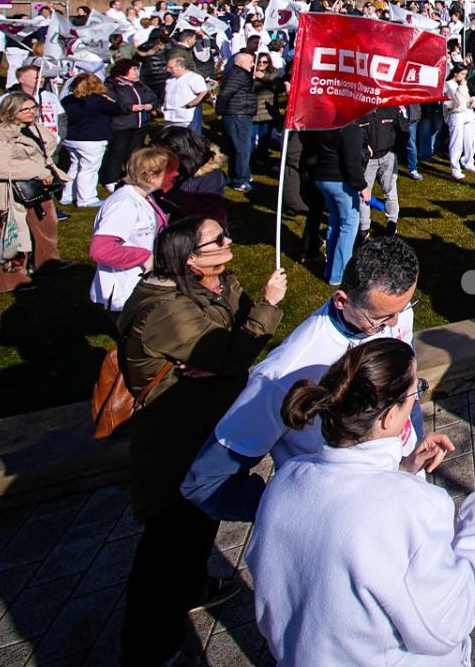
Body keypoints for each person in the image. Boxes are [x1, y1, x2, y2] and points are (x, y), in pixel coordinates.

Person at [247, 338, 475, 666]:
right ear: (388, 417)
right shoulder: (417, 507)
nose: (418, 396)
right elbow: (449, 623)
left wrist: (403, 468)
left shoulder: (286, 478)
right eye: (416, 390)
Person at [116, 216, 285, 665]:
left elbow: (234, 346)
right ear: (189, 258)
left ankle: (194, 587)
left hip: (204, 426)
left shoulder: (216, 283)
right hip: (173, 442)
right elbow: (235, 349)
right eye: (218, 239)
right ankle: (147, 651)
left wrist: (227, 355)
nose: (229, 241)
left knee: (200, 522)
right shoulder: (165, 308)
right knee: (166, 547)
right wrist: (266, 307)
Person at [183, 235, 423, 519]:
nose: (395, 322)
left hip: (403, 486)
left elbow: (405, 387)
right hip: (344, 517)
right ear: (341, 300)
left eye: (405, 307)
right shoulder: (281, 376)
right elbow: (205, 482)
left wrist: (416, 445)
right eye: (381, 319)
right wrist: (297, 509)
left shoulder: (394, 310)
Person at [0, 92, 64, 293]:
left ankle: (47, 262)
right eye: (25, 109)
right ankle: (12, 280)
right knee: (11, 236)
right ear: (10, 111)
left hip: (35, 188)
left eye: (33, 108)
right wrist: (37, 171)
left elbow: (47, 147)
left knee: (47, 224)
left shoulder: (32, 127)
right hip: (8, 194)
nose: (31, 112)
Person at [89, 147, 176, 312]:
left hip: (139, 285)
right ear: (150, 176)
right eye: (170, 171)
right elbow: (101, 250)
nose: (175, 174)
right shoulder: (124, 204)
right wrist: (144, 257)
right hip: (124, 291)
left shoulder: (145, 197)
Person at [301, 118, 368, 284]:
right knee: (348, 225)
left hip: (323, 178)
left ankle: (330, 269)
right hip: (339, 182)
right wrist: (362, 186)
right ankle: (340, 274)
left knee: (335, 222)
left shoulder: (327, 123)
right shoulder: (351, 129)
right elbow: (352, 164)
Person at [100, 58, 158, 190]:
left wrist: (151, 105)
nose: (136, 72)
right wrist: (130, 108)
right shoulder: (113, 85)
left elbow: (153, 98)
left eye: (137, 69)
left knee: (135, 153)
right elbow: (112, 102)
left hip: (140, 124)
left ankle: (131, 175)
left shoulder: (140, 84)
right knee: (117, 152)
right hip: (122, 125)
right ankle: (111, 179)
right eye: (133, 69)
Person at [58, 72, 113, 206]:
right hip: (92, 139)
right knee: (89, 169)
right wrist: (110, 100)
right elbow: (118, 108)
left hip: (71, 138)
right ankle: (86, 199)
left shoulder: (67, 100)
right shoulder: (99, 100)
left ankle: (68, 195)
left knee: (75, 166)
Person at [0, 62, 63, 143]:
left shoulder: (51, 97)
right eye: (36, 77)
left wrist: (60, 138)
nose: (41, 80)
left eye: (42, 77)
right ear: (21, 79)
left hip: (52, 144)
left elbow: (62, 119)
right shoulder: (6, 99)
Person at [215, 49, 258, 191]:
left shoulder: (239, 74)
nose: (253, 64)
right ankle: (241, 180)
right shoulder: (238, 74)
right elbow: (225, 93)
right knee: (242, 148)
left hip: (239, 113)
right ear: (241, 62)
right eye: (251, 62)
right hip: (237, 114)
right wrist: (220, 110)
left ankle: (236, 176)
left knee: (236, 148)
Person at [360, 103, 403, 237]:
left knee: (390, 190)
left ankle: (392, 223)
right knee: (363, 194)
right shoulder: (360, 110)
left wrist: (395, 149)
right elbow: (354, 132)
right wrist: (364, 148)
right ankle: (364, 227)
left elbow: (402, 128)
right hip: (368, 160)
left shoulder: (391, 107)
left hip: (388, 155)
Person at [162, 51, 210, 134]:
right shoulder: (170, 80)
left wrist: (190, 104)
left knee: (191, 138)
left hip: (187, 118)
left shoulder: (194, 78)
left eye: (171, 68)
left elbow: (203, 92)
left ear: (182, 67)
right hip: (170, 117)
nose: (168, 70)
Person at [443, 62, 475, 179]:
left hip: (466, 115)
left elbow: (466, 99)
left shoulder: (461, 84)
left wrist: (472, 100)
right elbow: (454, 103)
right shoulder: (448, 85)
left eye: (465, 74)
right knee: (456, 144)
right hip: (455, 116)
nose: (464, 77)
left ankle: (468, 161)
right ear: (455, 73)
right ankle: (455, 168)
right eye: (462, 74)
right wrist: (462, 88)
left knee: (468, 141)